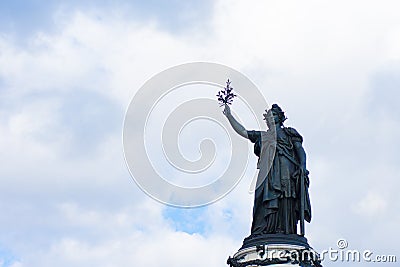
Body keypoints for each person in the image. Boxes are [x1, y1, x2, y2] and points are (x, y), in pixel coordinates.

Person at [223, 103, 311, 235]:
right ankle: (265, 228)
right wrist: (229, 116)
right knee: (263, 197)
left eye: (273, 115)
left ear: (280, 118)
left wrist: (303, 167)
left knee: (286, 196)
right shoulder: (262, 136)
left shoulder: (289, 133)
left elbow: (300, 151)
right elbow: (243, 132)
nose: (271, 117)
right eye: (268, 116)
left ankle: (287, 230)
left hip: (286, 168)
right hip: (268, 172)